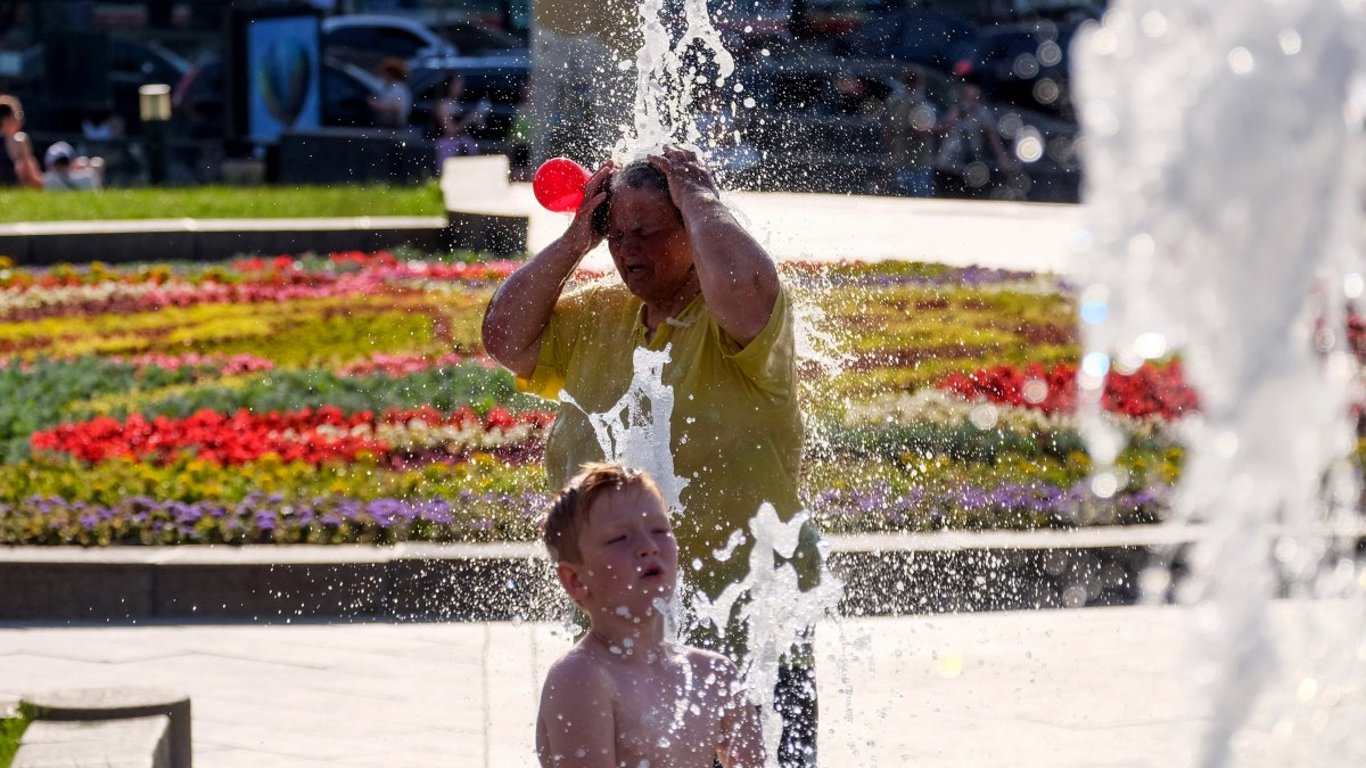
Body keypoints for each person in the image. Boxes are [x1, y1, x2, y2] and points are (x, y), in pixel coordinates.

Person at [483, 146, 824, 767]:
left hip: (752, 628)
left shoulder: (735, 321)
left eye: (647, 232)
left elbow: (749, 287)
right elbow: (504, 338)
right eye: (616, 234)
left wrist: (700, 200)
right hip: (626, 641)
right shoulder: (598, 316)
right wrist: (572, 243)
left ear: (692, 231)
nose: (627, 249)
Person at [536, 462, 764, 768]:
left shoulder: (714, 674)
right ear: (576, 580)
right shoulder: (582, 678)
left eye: (660, 530)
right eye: (620, 538)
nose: (648, 547)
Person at [932, 81, 1016, 198]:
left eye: (974, 98)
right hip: (950, 159)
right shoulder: (956, 110)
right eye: (969, 97)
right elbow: (943, 127)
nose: (971, 102)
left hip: (970, 159)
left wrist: (1002, 156)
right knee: (946, 192)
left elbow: (991, 136)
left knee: (969, 192)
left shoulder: (981, 113)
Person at [882, 71, 938, 198]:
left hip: (900, 156)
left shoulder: (893, 100)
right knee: (920, 201)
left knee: (900, 199)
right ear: (918, 83)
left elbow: (887, 129)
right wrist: (944, 127)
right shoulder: (919, 102)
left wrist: (890, 154)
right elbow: (921, 130)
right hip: (920, 159)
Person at [433, 74, 489, 166]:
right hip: (448, 146)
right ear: (449, 86)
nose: (461, 88)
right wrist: (469, 119)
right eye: (458, 85)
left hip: (462, 144)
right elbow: (450, 130)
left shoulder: (456, 104)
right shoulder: (442, 105)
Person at [0, 95, 42, 189]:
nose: (21, 119)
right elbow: (31, 176)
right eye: (19, 114)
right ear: (7, 118)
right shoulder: (19, 140)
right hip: (12, 190)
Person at [370, 57, 412, 129]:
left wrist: (377, 106)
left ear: (391, 74)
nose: (382, 75)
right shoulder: (388, 87)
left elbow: (399, 108)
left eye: (384, 73)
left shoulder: (399, 88)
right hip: (386, 125)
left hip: (395, 127)